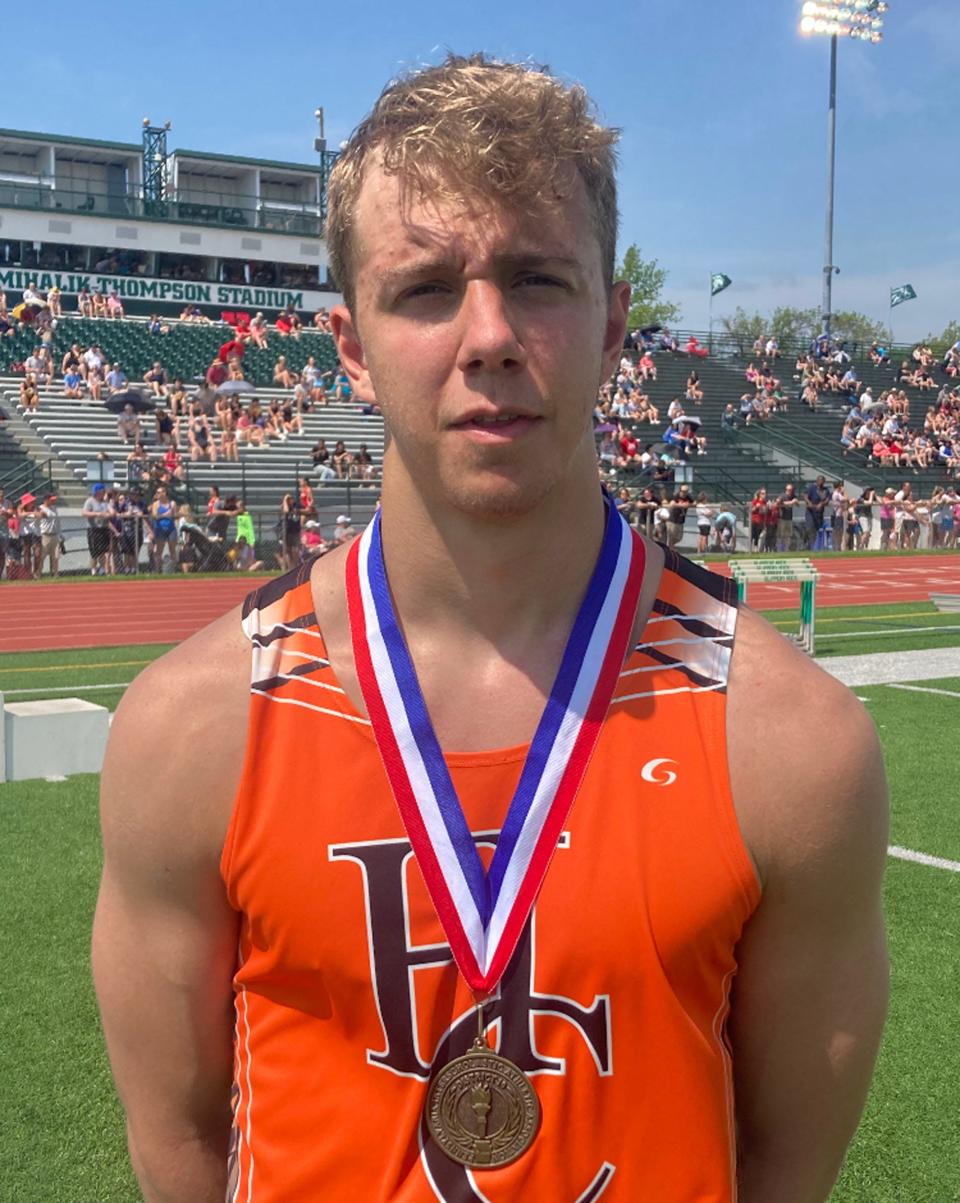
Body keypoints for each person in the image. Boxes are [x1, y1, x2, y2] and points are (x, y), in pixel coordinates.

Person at [94, 54, 888, 1203]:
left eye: (539, 280)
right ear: (352, 346)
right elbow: (176, 1145)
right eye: (424, 289)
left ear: (616, 327)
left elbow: (786, 1164)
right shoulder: (191, 729)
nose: (489, 336)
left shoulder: (792, 744)